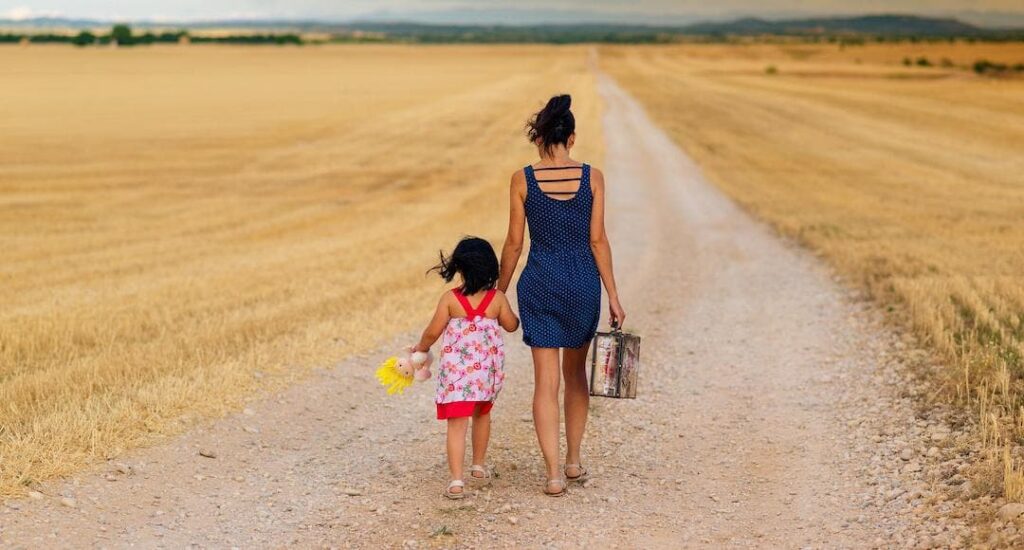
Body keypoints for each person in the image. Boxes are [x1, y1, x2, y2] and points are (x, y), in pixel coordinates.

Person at [497, 94, 625, 496]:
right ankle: (572, 461)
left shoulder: (523, 180)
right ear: (571, 138)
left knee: (544, 383)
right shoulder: (593, 178)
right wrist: (614, 296)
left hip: (539, 281)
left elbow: (514, 245)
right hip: (581, 283)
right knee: (575, 377)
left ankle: (552, 475)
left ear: (539, 139)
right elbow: (598, 240)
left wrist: (497, 295)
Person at [413, 237, 520, 499]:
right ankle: (478, 466)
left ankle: (456, 481)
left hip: (457, 378)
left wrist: (421, 349)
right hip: (485, 377)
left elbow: (433, 331)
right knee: (482, 416)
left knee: (456, 425)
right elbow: (511, 325)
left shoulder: (450, 299)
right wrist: (513, 316)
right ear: (492, 268)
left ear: (460, 268)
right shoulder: (497, 300)